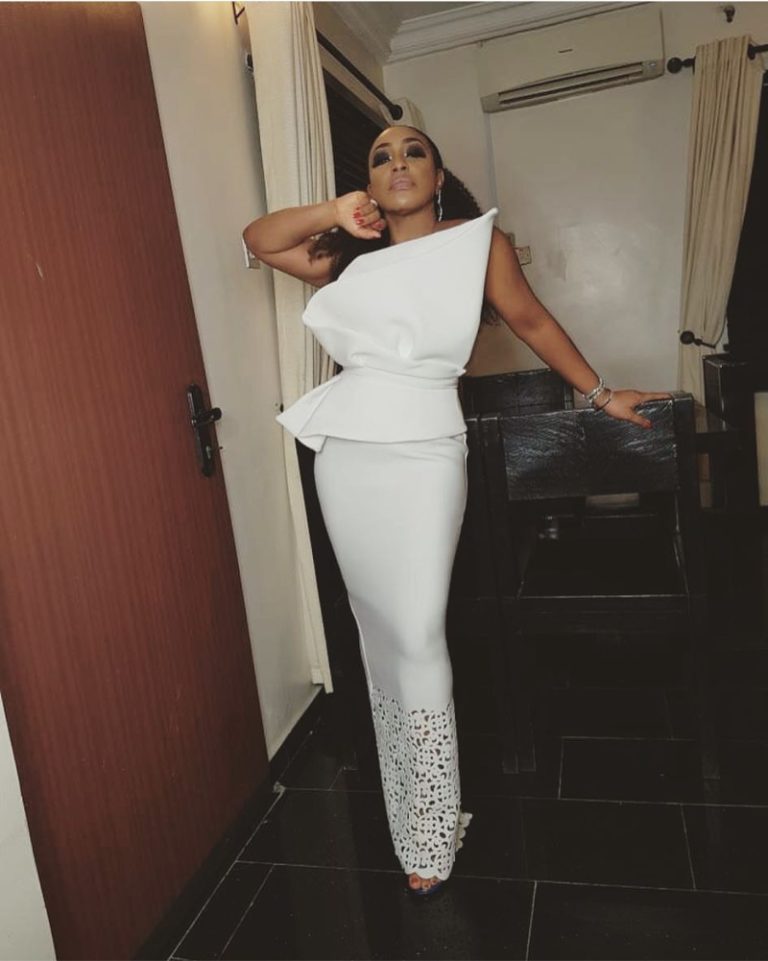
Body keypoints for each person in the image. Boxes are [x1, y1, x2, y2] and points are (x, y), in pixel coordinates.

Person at [243, 125, 669, 897]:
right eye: (381, 156)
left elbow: (532, 320)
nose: (397, 162)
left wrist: (602, 394)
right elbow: (260, 238)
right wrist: (335, 211)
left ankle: (434, 825)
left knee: (416, 629)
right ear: (370, 184)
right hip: (347, 451)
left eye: (412, 151)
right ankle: (408, 809)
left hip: (426, 449)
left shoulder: (477, 243)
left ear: (439, 175)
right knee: (377, 630)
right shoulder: (350, 255)